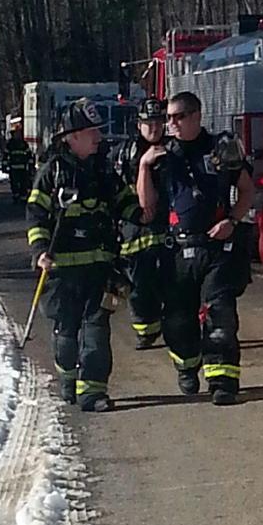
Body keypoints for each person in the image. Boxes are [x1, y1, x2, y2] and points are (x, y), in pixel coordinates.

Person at [137, 91, 254, 404]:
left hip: (217, 247)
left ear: (196, 116)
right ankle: (187, 367)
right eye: (168, 117)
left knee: (220, 315)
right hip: (178, 251)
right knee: (178, 320)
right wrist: (144, 167)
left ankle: (223, 382)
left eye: (178, 117)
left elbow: (246, 190)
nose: (170, 123)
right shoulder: (162, 154)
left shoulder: (222, 148)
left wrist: (232, 219)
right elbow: (146, 209)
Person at [26, 98, 140, 412]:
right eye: (91, 132)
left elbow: (126, 203)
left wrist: (145, 214)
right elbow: (36, 214)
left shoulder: (103, 170)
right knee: (66, 331)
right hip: (63, 272)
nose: (99, 138)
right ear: (71, 137)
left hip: (100, 268)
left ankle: (93, 392)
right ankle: (68, 376)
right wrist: (39, 251)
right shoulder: (53, 172)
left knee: (97, 329)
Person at [114, 98, 170, 349]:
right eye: (149, 123)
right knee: (138, 284)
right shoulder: (126, 153)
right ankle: (146, 329)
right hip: (134, 224)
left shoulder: (173, 150)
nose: (154, 128)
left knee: (171, 282)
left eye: (158, 122)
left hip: (166, 224)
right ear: (139, 125)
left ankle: (171, 326)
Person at [4, 120, 33, 203]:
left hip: (23, 168)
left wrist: (30, 165)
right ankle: (16, 196)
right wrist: (4, 166)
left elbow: (29, 155)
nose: (17, 135)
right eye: (16, 133)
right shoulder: (10, 144)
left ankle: (23, 197)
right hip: (13, 168)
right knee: (14, 183)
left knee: (23, 183)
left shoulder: (24, 144)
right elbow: (5, 156)